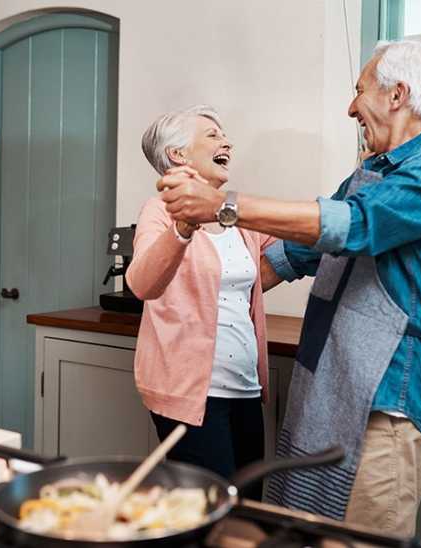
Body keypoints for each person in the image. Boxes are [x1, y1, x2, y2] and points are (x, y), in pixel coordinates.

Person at [155, 42, 421, 534]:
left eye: (359, 90)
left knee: (359, 539)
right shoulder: (370, 173)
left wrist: (223, 204)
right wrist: (185, 297)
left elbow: (354, 225)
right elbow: (294, 253)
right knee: (306, 534)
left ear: (397, 94)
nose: (351, 107)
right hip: (332, 392)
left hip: (389, 404)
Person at [126, 105, 276, 498]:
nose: (226, 141)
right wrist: (183, 226)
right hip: (190, 397)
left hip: (245, 388)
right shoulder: (158, 211)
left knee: (249, 508)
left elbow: (291, 251)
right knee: (209, 511)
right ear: (178, 154)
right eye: (212, 134)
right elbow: (141, 283)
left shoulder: (235, 214)